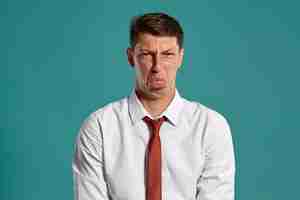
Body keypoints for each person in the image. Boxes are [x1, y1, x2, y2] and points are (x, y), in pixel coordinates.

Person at [72, 12, 235, 200]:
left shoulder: (211, 127)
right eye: (147, 54)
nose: (157, 66)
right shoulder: (99, 128)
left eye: (167, 54)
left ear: (180, 57)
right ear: (131, 57)